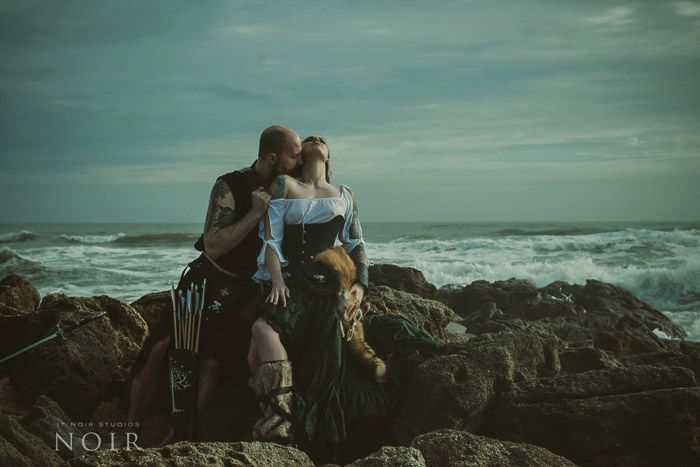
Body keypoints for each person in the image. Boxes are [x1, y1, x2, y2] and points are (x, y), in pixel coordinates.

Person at [247, 135, 438, 463]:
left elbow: (356, 243)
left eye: (322, 140)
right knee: (262, 331)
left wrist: (360, 286)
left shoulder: (345, 195)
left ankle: (282, 424)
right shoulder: (284, 184)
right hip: (295, 282)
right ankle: (278, 424)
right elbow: (272, 241)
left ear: (329, 157)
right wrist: (277, 280)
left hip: (333, 284)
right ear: (299, 154)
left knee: (324, 362)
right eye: (310, 138)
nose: (317, 139)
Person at [123, 125, 303, 446]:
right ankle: (130, 431)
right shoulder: (230, 184)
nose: (299, 160)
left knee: (212, 362)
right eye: (294, 155)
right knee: (162, 346)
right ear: (273, 158)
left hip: (246, 293)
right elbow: (214, 245)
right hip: (207, 278)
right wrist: (256, 213)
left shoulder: (291, 188)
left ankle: (177, 440)